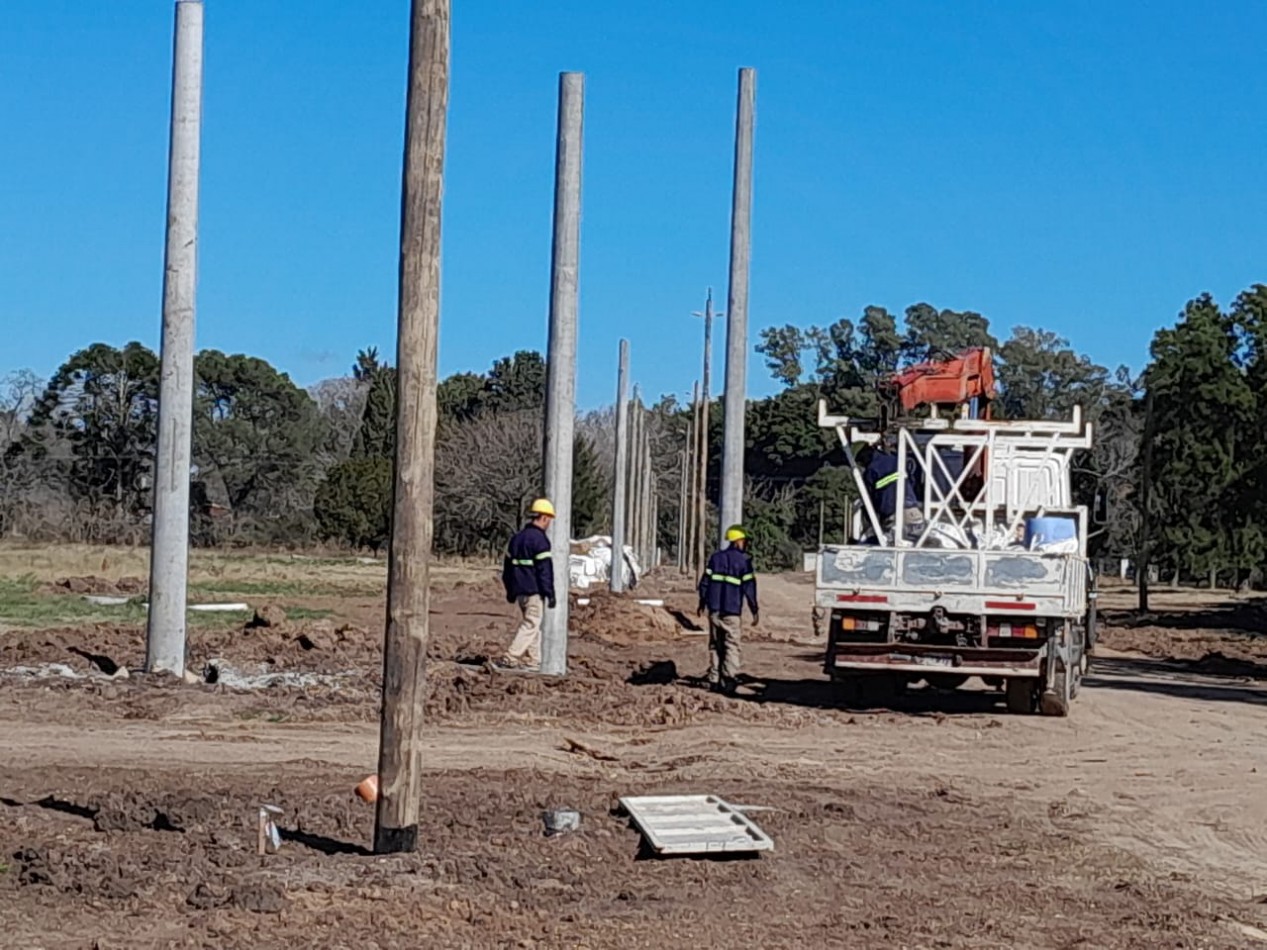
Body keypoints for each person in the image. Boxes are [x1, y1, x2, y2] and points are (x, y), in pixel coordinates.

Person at [697, 524, 759, 695]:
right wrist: (754, 609)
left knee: (715, 645)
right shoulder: (744, 561)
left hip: (714, 610)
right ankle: (729, 679)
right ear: (738, 541)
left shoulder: (715, 558)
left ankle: (714, 679)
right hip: (732, 612)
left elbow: (705, 583)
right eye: (744, 541)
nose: (744, 544)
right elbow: (749, 588)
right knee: (731, 645)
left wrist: (702, 603)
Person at [498, 498, 557, 670]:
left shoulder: (516, 539)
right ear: (544, 517)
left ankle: (533, 660)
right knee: (531, 624)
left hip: (519, 590)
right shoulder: (540, 541)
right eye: (549, 519)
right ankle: (511, 656)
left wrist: (510, 590)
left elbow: (507, 568)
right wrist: (549, 593)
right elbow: (544, 570)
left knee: (533, 625)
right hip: (533, 591)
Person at [863, 435, 925, 544]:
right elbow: (912, 482)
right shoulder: (897, 460)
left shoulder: (872, 469)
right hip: (914, 511)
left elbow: (870, 500)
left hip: (895, 516)